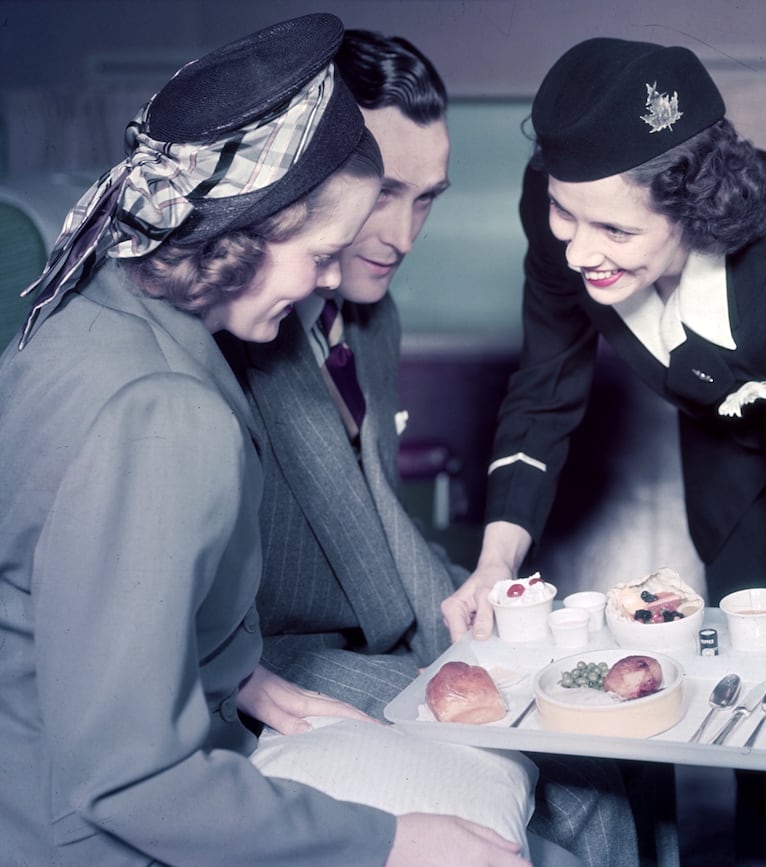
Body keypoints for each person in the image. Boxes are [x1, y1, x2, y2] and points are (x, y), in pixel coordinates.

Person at [0, 15, 529, 867]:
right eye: (323, 252)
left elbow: (59, 596)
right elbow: (132, 782)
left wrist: (236, 676)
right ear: (248, 223)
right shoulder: (169, 415)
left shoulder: (82, 317)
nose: (334, 278)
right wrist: (390, 841)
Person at [441, 37, 766, 865]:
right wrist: (492, 561)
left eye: (613, 228)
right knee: (743, 602)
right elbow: (545, 390)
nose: (579, 249)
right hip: (728, 417)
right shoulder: (569, 212)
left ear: (694, 207)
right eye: (563, 215)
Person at [218, 28, 638, 866]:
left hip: (372, 626)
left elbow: (373, 504)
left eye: (428, 198)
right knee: (589, 772)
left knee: (623, 743)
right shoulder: (238, 323)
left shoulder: (370, 316)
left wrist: (487, 607)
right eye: (384, 193)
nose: (404, 234)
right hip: (276, 651)